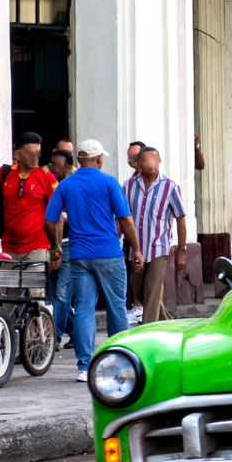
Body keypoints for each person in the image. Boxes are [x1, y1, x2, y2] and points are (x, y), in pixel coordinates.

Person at [46, 139, 140, 382]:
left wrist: (55, 247)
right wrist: (136, 249)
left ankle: (84, 367)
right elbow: (126, 219)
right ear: (99, 159)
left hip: (79, 256)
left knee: (84, 310)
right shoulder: (109, 182)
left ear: (79, 159)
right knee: (116, 306)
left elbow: (50, 220)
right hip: (109, 254)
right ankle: (120, 362)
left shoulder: (65, 185)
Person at [124, 146, 188, 325]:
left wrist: (181, 251)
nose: (150, 164)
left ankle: (148, 331)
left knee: (152, 291)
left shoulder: (170, 187)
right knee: (139, 290)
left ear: (159, 161)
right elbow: (121, 216)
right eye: (145, 160)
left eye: (154, 159)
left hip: (158, 249)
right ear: (139, 163)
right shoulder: (128, 185)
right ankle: (170, 325)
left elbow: (181, 219)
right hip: (136, 250)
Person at [0, 132, 59, 261]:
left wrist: (55, 248)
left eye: (37, 153)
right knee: (9, 281)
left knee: (33, 282)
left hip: (37, 248)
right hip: (8, 249)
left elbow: (56, 216)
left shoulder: (47, 178)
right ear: (17, 154)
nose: (34, 158)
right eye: (29, 153)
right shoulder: (3, 173)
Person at [48, 148, 76, 350]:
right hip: (52, 246)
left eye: (56, 165)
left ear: (68, 167)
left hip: (71, 246)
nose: (53, 169)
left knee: (62, 294)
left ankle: (54, 337)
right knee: (54, 294)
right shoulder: (50, 185)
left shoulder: (73, 187)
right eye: (51, 164)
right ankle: (77, 331)